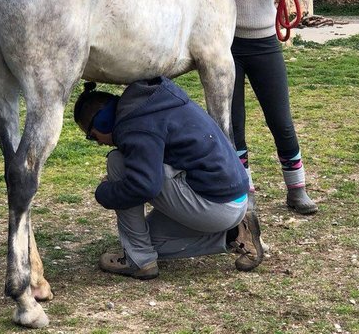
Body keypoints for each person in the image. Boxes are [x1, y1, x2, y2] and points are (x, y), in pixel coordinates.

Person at [73, 77, 264, 279]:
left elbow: (144, 186)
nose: (98, 143)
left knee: (117, 163)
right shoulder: (156, 103)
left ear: (103, 122)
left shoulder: (136, 125)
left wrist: (104, 192)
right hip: (231, 201)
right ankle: (235, 234)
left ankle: (139, 261)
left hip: (217, 205)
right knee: (147, 242)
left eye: (92, 136)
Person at [225, 0, 319, 215]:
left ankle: (297, 190)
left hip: (265, 42)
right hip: (229, 46)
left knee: (280, 119)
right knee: (234, 124)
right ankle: (243, 191)